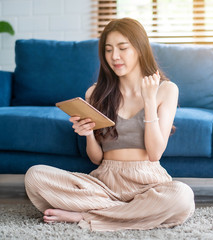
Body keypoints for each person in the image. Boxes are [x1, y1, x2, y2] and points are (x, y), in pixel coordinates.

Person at [24, 18, 195, 231]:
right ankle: (127, 212)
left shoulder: (166, 90)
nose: (114, 56)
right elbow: (97, 158)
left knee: (182, 197)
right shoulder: (95, 93)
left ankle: (85, 215)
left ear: (140, 49)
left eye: (122, 48)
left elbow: (155, 154)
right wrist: (87, 134)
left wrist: (149, 100)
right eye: (108, 50)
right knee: (35, 176)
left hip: (148, 183)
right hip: (104, 184)